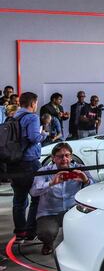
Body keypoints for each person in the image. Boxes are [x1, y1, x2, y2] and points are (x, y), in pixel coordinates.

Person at [30, 142, 94, 254]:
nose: (64, 159)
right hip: (50, 213)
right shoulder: (44, 171)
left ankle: (78, 243)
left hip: (73, 210)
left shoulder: (79, 169)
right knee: (46, 232)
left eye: (67, 155)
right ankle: (48, 243)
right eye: (60, 156)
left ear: (71, 156)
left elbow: (95, 189)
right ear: (53, 158)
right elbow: (34, 192)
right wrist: (51, 183)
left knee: (89, 227)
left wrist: (86, 180)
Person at [9, 92, 48, 239]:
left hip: (14, 162)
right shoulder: (32, 117)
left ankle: (20, 231)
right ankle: (31, 230)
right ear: (33, 103)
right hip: (29, 162)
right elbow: (34, 137)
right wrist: (44, 134)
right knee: (36, 196)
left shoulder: (13, 116)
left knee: (19, 199)